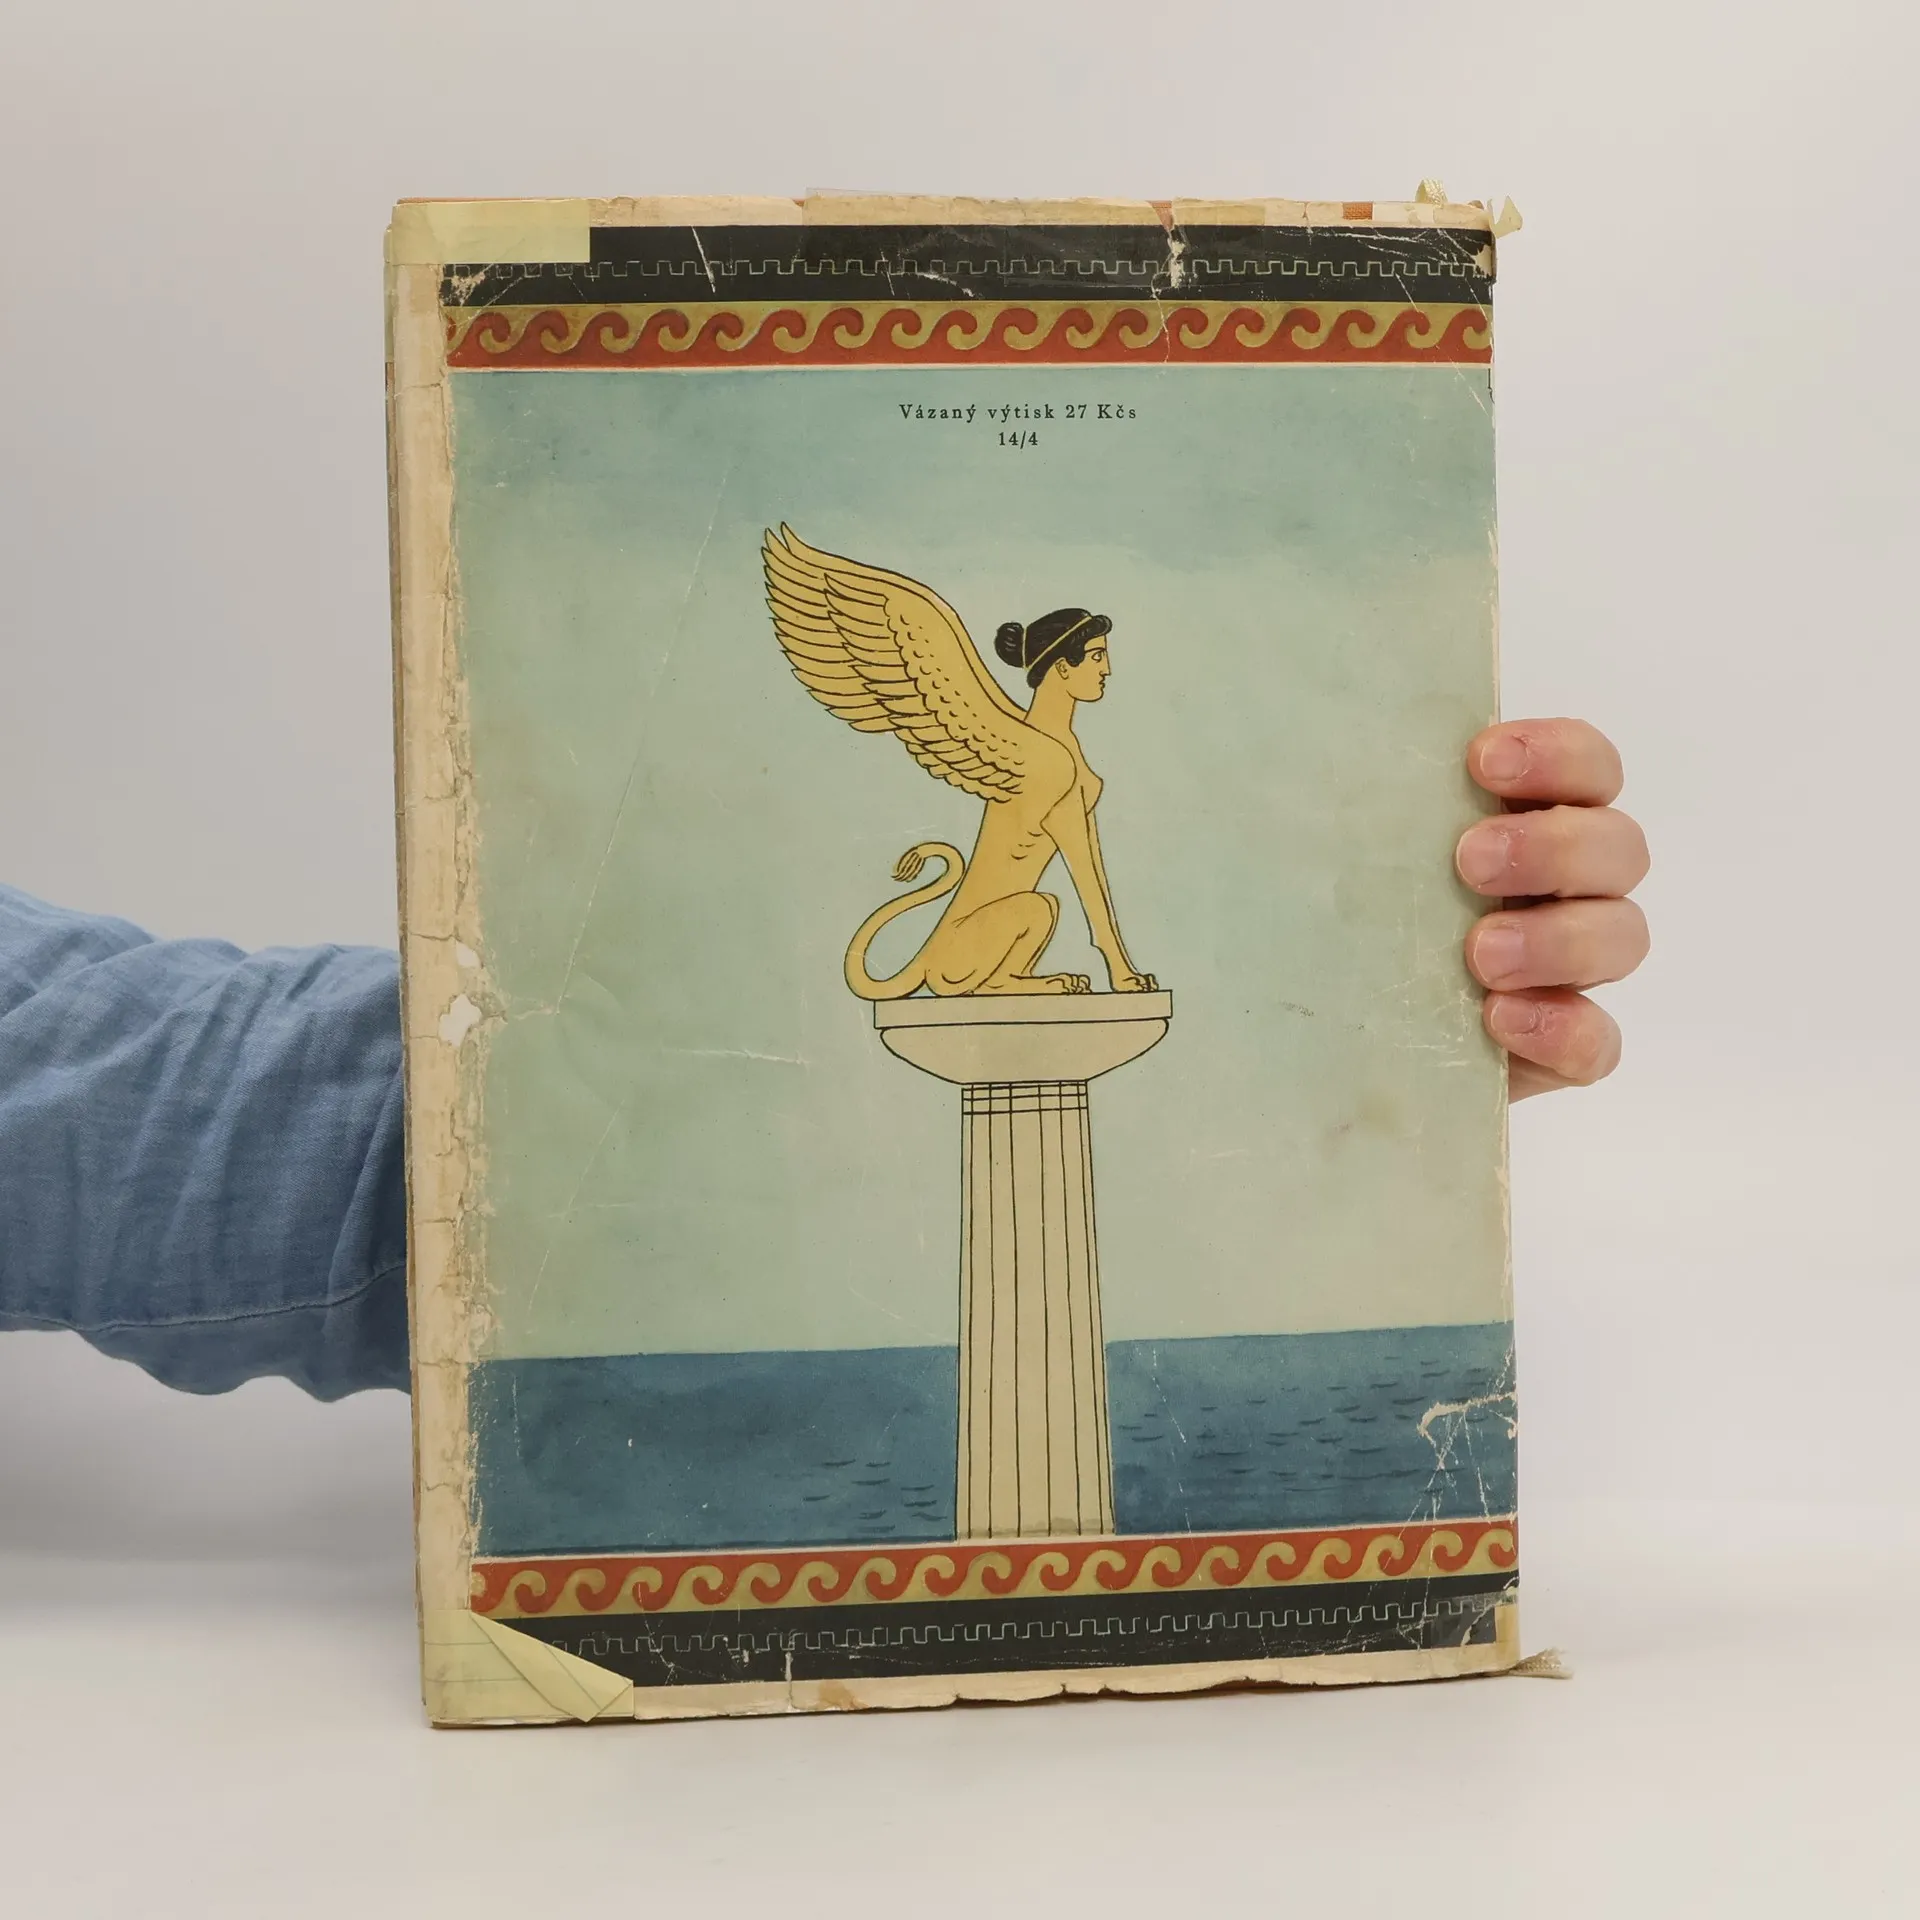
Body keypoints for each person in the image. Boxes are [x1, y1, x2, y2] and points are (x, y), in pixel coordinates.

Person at [0, 717, 1648, 1402]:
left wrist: (1343, 1023)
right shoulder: (1028, 757)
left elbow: (136, 1090)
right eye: (1094, 668)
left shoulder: (1056, 764)